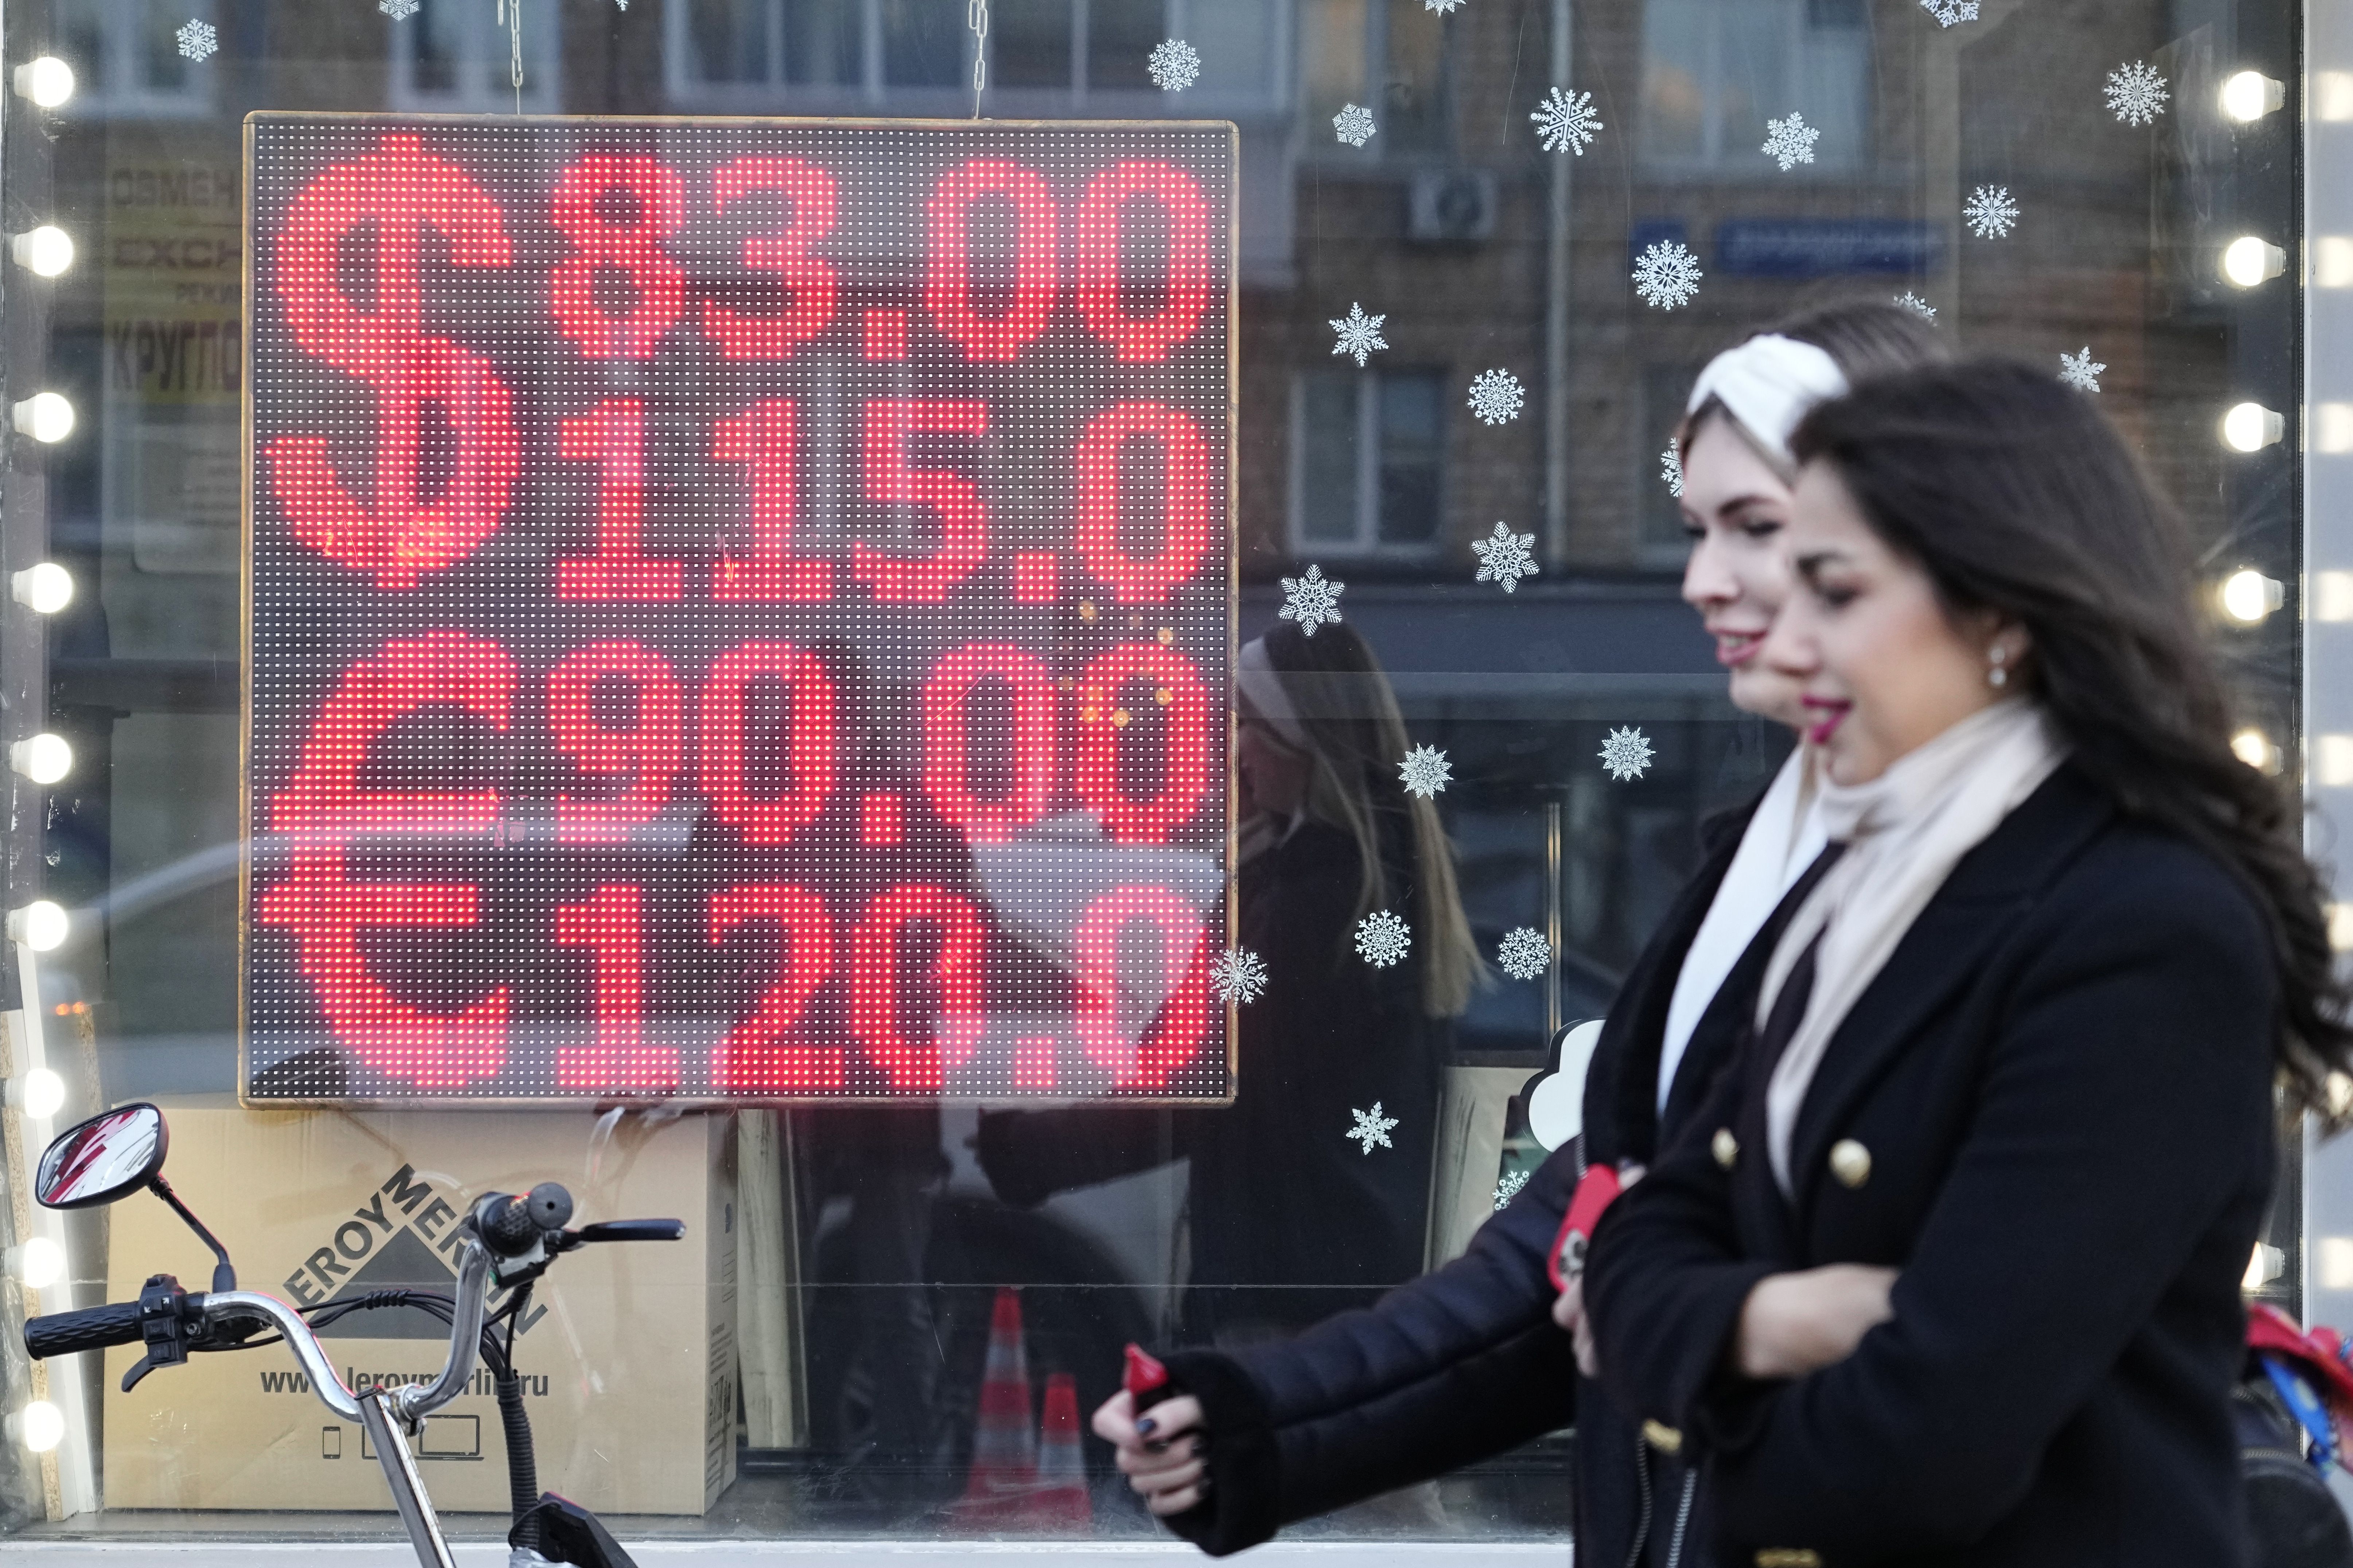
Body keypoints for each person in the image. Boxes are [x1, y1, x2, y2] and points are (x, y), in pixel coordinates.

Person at [1089, 301, 1945, 1566]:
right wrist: (1255, 1423)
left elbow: (2007, 1338)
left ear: (1916, 524)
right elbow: (1554, 1262)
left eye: (1753, 527)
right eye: (1697, 526)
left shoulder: (2061, 882)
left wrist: (1670, 1308)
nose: (1701, 578)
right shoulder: (1749, 866)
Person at [1583, 357, 2353, 1568]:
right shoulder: (1866, 875)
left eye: (1830, 593)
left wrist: (1700, 1374)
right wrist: (1775, 1316)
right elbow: (1641, 1234)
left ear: (1999, 615)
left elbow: (1922, 1440)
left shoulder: (2141, 923)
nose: (1784, 648)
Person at [978, 618, 1481, 1344]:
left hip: (1287, 1291)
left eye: (1246, 722)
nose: (1231, 746)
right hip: (1348, 1274)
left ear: (1295, 738)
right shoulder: (1374, 881)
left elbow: (1201, 1085)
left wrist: (1025, 1152)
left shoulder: (1309, 904)